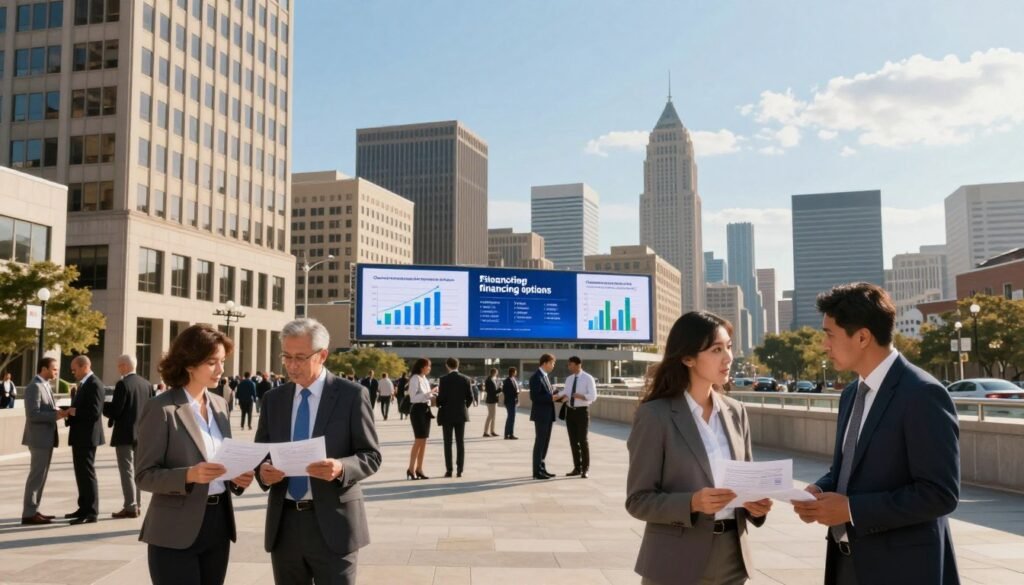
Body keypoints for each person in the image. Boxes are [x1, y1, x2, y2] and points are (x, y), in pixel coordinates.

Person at [792, 283, 960, 585]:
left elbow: (939, 494)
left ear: (863, 336)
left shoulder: (922, 394)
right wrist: (818, 491)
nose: (823, 345)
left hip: (902, 570)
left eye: (829, 334)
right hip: (845, 563)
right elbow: (846, 470)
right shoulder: (851, 394)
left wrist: (851, 510)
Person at [626, 311, 772, 585]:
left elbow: (748, 482)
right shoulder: (655, 416)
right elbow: (638, 500)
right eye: (717, 349)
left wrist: (756, 506)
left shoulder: (736, 411)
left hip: (733, 558)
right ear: (687, 358)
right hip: (674, 562)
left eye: (729, 347)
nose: (728, 357)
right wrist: (692, 502)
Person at [255, 318, 381, 585]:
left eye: (300, 357)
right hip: (284, 526)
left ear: (322, 355)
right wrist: (263, 472)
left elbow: (370, 455)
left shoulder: (352, 395)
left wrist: (341, 468)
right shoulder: (273, 400)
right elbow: (261, 454)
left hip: (335, 525)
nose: (291, 365)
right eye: (286, 356)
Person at [136, 324, 255, 585]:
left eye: (222, 361)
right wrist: (189, 475)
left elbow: (223, 460)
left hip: (218, 525)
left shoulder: (220, 405)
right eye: (212, 362)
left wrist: (236, 477)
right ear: (189, 364)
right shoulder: (161, 409)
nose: (221, 370)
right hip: (174, 530)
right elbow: (144, 475)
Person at [103, 354, 153, 519]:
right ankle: (137, 504)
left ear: (125, 366)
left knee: (127, 471)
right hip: (143, 434)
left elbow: (116, 410)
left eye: (119, 365)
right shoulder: (146, 384)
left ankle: (130, 506)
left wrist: (102, 406)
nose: (118, 368)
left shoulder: (123, 384)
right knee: (137, 470)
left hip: (125, 434)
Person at [21, 357, 68, 525]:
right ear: (44, 369)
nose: (56, 372)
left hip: (47, 438)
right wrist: (57, 415)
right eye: (54, 369)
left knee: (41, 476)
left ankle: (34, 510)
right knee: (36, 476)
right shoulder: (34, 386)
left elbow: (45, 409)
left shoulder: (45, 385)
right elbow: (32, 414)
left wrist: (59, 411)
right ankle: (28, 513)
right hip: (38, 439)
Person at [65, 355, 105, 524]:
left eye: (75, 370)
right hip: (80, 436)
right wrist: (68, 413)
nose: (74, 373)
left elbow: (94, 412)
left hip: (87, 437)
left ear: (83, 367)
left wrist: (73, 412)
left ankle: (91, 511)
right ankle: (83, 507)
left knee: (87, 474)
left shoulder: (94, 384)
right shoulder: (84, 384)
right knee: (81, 473)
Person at [554, 356, 597, 478]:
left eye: (570, 364)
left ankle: (585, 469)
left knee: (583, 441)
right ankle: (577, 468)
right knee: (573, 442)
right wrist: (556, 396)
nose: (568, 367)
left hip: (582, 412)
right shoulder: (569, 379)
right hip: (570, 412)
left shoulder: (588, 378)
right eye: (568, 365)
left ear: (578, 365)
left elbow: (593, 396)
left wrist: (581, 396)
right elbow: (566, 392)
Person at [436, 358, 474, 478]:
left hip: (447, 414)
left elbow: (441, 398)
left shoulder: (443, 380)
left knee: (447, 443)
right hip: (461, 414)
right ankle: (460, 470)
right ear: (458, 365)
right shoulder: (466, 379)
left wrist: (438, 402)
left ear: (447, 366)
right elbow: (470, 398)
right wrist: (464, 407)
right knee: (460, 442)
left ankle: (449, 470)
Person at [406, 358, 436, 480]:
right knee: (418, 440)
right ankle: (411, 468)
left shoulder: (424, 379)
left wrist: (432, 394)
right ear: (422, 367)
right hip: (417, 411)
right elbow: (413, 398)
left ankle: (419, 468)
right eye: (428, 366)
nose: (429, 368)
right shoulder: (415, 378)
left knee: (424, 441)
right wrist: (429, 393)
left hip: (426, 410)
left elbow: (425, 395)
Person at [529, 354, 557, 480]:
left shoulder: (545, 376)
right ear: (545, 363)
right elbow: (534, 397)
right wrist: (551, 397)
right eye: (552, 363)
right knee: (540, 442)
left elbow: (546, 394)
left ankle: (542, 468)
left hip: (548, 414)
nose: (553, 366)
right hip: (541, 415)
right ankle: (537, 471)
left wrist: (556, 395)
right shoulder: (536, 377)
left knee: (545, 443)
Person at [502, 367, 520, 440]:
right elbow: (506, 391)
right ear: (512, 372)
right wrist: (515, 393)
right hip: (510, 401)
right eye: (515, 372)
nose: (516, 373)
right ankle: (509, 434)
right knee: (511, 418)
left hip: (513, 401)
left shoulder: (513, 380)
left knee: (511, 418)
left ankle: (508, 434)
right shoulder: (507, 381)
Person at [483, 368, 500, 437]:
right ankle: (485, 432)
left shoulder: (492, 380)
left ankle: (492, 431)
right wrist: (500, 389)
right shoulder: (489, 380)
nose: (497, 374)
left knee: (493, 416)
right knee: (490, 416)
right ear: (494, 373)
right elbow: (491, 392)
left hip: (493, 400)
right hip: (490, 400)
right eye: (496, 373)